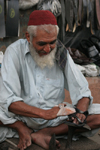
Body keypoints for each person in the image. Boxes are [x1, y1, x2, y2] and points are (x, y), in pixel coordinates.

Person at [0, 10, 100, 150]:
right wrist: (44, 114)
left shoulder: (60, 51)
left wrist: (80, 113)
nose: (48, 49)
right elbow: (8, 101)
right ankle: (21, 128)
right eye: (41, 44)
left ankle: (44, 133)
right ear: (28, 37)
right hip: (22, 116)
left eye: (52, 42)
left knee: (98, 115)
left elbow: (82, 91)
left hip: (55, 119)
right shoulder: (14, 52)